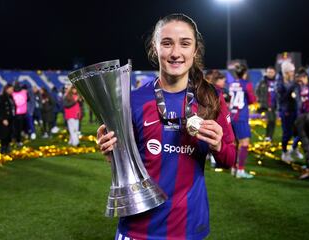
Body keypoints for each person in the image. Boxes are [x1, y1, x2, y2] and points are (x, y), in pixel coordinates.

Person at [97, 13, 236, 240]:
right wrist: (111, 151)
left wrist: (219, 145)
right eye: (167, 43)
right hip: (137, 228)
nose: (175, 53)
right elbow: (123, 166)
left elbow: (230, 160)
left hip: (189, 227)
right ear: (155, 47)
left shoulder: (211, 99)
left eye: (184, 43)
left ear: (195, 49)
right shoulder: (132, 101)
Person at [228, 63, 256, 179]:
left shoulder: (232, 84)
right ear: (245, 73)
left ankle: (233, 168)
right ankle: (240, 170)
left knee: (235, 143)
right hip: (241, 117)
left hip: (232, 116)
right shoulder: (247, 84)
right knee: (244, 143)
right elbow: (252, 100)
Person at [276, 61, 303, 163]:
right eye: (291, 70)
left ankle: (294, 148)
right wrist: (292, 88)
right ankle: (284, 152)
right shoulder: (279, 82)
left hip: (295, 110)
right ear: (286, 72)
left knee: (299, 131)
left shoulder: (293, 80)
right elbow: (281, 99)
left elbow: (297, 96)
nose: (293, 72)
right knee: (287, 133)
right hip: (286, 111)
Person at [255, 66, 278, 142]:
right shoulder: (262, 82)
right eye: (268, 72)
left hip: (275, 106)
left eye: (271, 72)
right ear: (266, 73)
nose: (270, 74)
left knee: (273, 121)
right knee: (270, 120)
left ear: (274, 73)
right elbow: (257, 92)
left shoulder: (277, 82)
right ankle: (268, 136)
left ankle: (269, 136)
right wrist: (260, 101)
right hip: (266, 106)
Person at [0, 84, 15, 154]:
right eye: (11, 89)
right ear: (7, 89)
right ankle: (3, 149)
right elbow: (1, 109)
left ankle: (7, 148)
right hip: (4, 119)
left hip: (10, 118)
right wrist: (3, 119)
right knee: (4, 134)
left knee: (9, 134)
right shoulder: (2, 97)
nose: (12, 90)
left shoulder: (11, 97)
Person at [12, 81, 28, 147]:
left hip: (16, 112)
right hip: (22, 112)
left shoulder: (12, 93)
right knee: (19, 127)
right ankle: (18, 139)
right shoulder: (24, 93)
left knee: (15, 127)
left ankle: (16, 139)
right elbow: (27, 99)